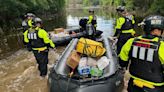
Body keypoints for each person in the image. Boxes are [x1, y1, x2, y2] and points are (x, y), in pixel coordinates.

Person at [119, 15, 164, 92]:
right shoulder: (161, 46)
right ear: (156, 30)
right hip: (155, 87)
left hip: (133, 84)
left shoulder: (131, 42)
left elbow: (122, 62)